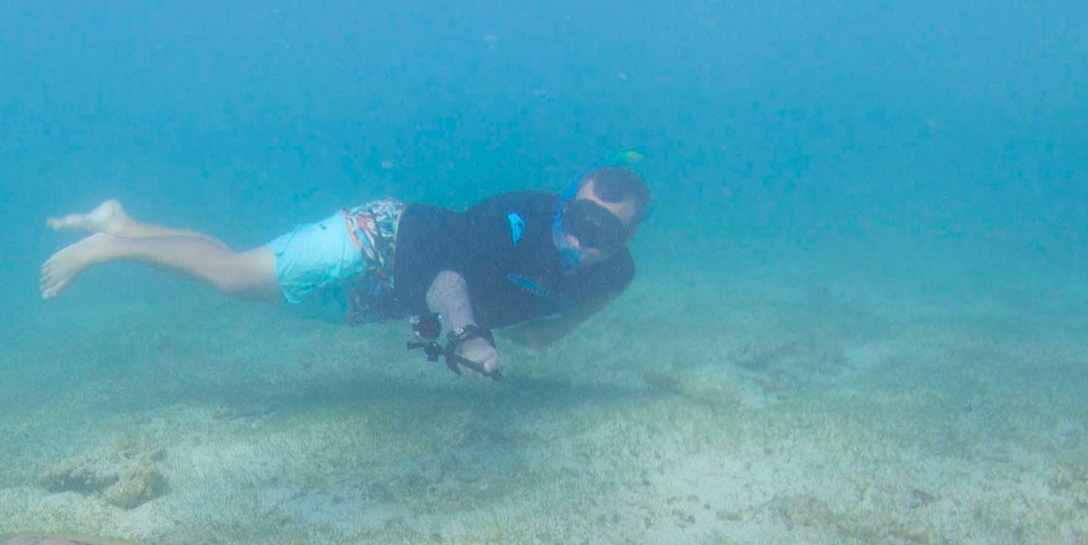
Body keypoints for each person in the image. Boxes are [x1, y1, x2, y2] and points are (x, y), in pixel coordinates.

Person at [39, 166, 650, 380]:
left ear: (625, 239)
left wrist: (505, 339)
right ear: (565, 201)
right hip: (380, 239)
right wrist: (468, 334)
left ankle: (125, 224)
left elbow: (547, 332)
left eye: (602, 234)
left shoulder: (612, 276)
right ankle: (106, 248)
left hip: (389, 301)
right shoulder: (523, 211)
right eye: (577, 217)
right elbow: (448, 274)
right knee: (232, 276)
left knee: (245, 276)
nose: (578, 238)